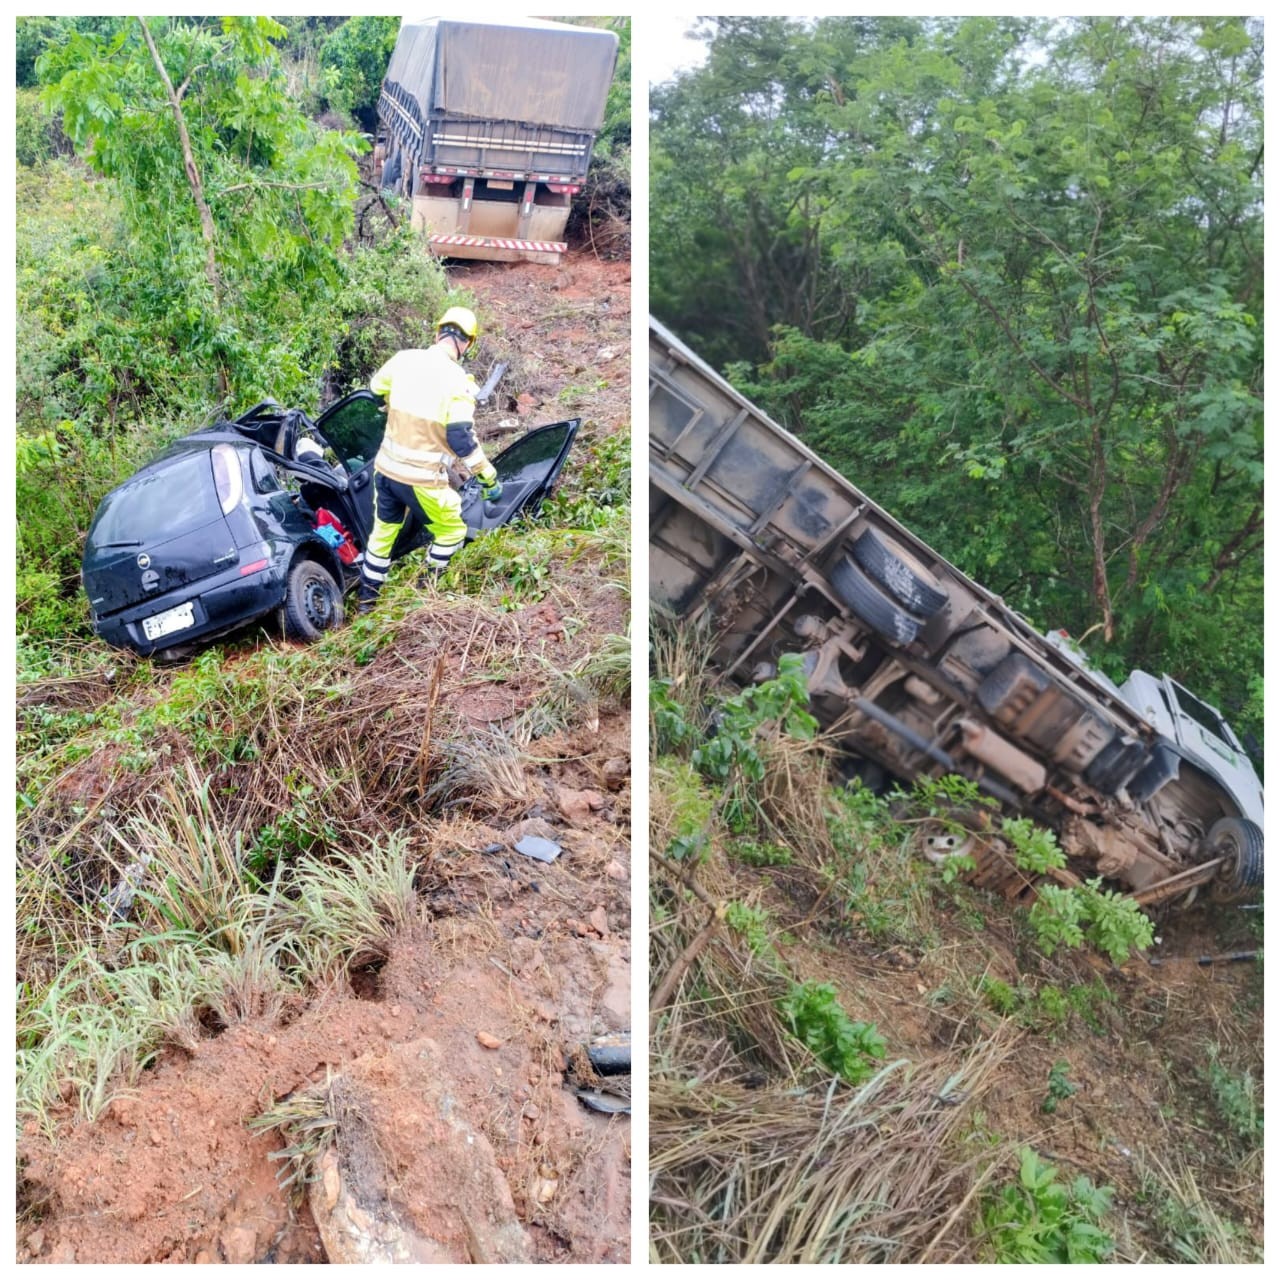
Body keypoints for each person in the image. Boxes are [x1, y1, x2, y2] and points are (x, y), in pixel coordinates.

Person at [357, 306, 503, 610]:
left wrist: (391, 401)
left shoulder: (403, 360)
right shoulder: (459, 382)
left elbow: (372, 391)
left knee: (382, 535)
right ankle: (427, 592)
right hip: (421, 479)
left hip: (385, 472)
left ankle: (367, 602)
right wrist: (488, 476)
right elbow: (461, 438)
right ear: (467, 344)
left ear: (438, 333)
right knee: (451, 531)